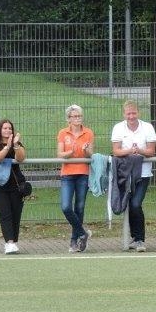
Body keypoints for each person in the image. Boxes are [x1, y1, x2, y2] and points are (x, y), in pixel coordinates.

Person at [111, 100, 156, 252]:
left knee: (136, 204)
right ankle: (134, 237)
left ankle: (140, 239)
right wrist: (130, 151)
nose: (131, 116)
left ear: (139, 113)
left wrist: (140, 151)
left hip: (143, 173)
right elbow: (116, 151)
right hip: (125, 173)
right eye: (128, 113)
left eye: (134, 113)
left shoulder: (148, 127)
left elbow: (151, 151)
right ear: (124, 114)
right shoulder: (118, 128)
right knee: (130, 205)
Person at [56, 104, 94, 252]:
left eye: (79, 116)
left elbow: (91, 154)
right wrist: (69, 153)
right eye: (75, 116)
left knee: (79, 207)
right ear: (69, 119)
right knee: (66, 207)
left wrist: (86, 151)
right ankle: (83, 233)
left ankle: (74, 240)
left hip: (83, 173)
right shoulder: (63, 133)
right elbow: (60, 154)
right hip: (67, 174)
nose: (78, 118)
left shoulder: (88, 132)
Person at [0, 119, 27, 254]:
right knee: (5, 213)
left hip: (16, 185)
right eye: (5, 128)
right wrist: (7, 146)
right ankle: (9, 243)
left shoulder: (17, 144)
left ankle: (14, 242)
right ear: (0, 130)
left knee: (16, 214)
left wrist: (15, 145)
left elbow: (21, 158)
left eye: (10, 128)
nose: (8, 130)